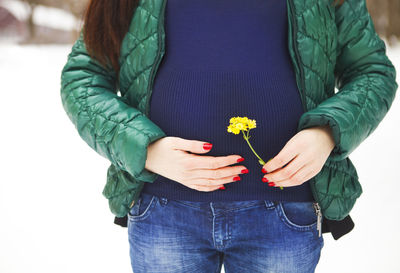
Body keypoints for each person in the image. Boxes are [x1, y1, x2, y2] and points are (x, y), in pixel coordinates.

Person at [60, 0, 398, 272]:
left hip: (282, 215)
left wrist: (327, 132)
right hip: (164, 212)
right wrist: (146, 150)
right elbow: (83, 79)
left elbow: (371, 72)